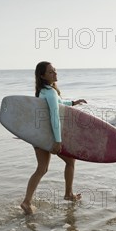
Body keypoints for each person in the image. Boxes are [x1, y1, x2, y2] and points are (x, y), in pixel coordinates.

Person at [20, 61, 87, 215]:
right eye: (51, 72)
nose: (55, 73)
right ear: (43, 76)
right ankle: (68, 194)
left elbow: (57, 104)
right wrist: (57, 140)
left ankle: (27, 201)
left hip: (39, 135)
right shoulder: (50, 92)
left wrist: (72, 103)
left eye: (55, 70)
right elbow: (54, 116)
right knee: (70, 161)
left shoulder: (45, 91)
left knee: (42, 169)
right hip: (49, 136)